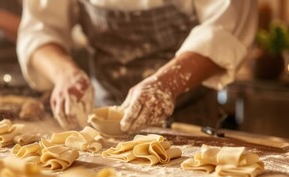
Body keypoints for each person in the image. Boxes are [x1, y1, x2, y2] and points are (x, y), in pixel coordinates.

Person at [17, 0, 257, 131]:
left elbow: (225, 30)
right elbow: (39, 30)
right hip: (101, 121)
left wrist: (165, 84)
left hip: (190, 120)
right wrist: (65, 75)